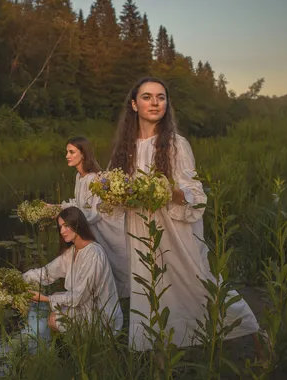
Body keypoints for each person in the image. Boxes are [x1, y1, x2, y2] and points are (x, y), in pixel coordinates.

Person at [108, 77, 262, 351]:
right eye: (147, 97)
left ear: (167, 104)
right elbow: (115, 197)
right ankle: (160, 357)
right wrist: (115, 194)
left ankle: (256, 335)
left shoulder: (177, 145)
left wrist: (169, 191)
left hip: (173, 230)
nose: (155, 102)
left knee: (199, 284)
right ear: (133, 105)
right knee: (150, 291)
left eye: (161, 97)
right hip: (140, 231)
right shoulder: (124, 150)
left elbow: (195, 195)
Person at [22, 206, 123, 334]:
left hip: (101, 316)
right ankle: (75, 348)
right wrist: (18, 280)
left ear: (77, 225)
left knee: (54, 319)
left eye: (66, 226)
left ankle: (89, 347)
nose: (62, 231)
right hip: (85, 307)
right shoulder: (73, 252)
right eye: (60, 227)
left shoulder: (94, 254)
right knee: (50, 316)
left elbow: (79, 296)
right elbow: (46, 273)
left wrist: (44, 298)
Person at [57, 136, 131, 299]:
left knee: (118, 263)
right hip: (90, 226)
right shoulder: (79, 177)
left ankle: (125, 301)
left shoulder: (93, 178)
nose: (67, 156)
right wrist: (58, 209)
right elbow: (79, 203)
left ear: (83, 154)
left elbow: (94, 212)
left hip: (103, 227)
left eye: (71, 152)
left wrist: (71, 221)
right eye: (66, 152)